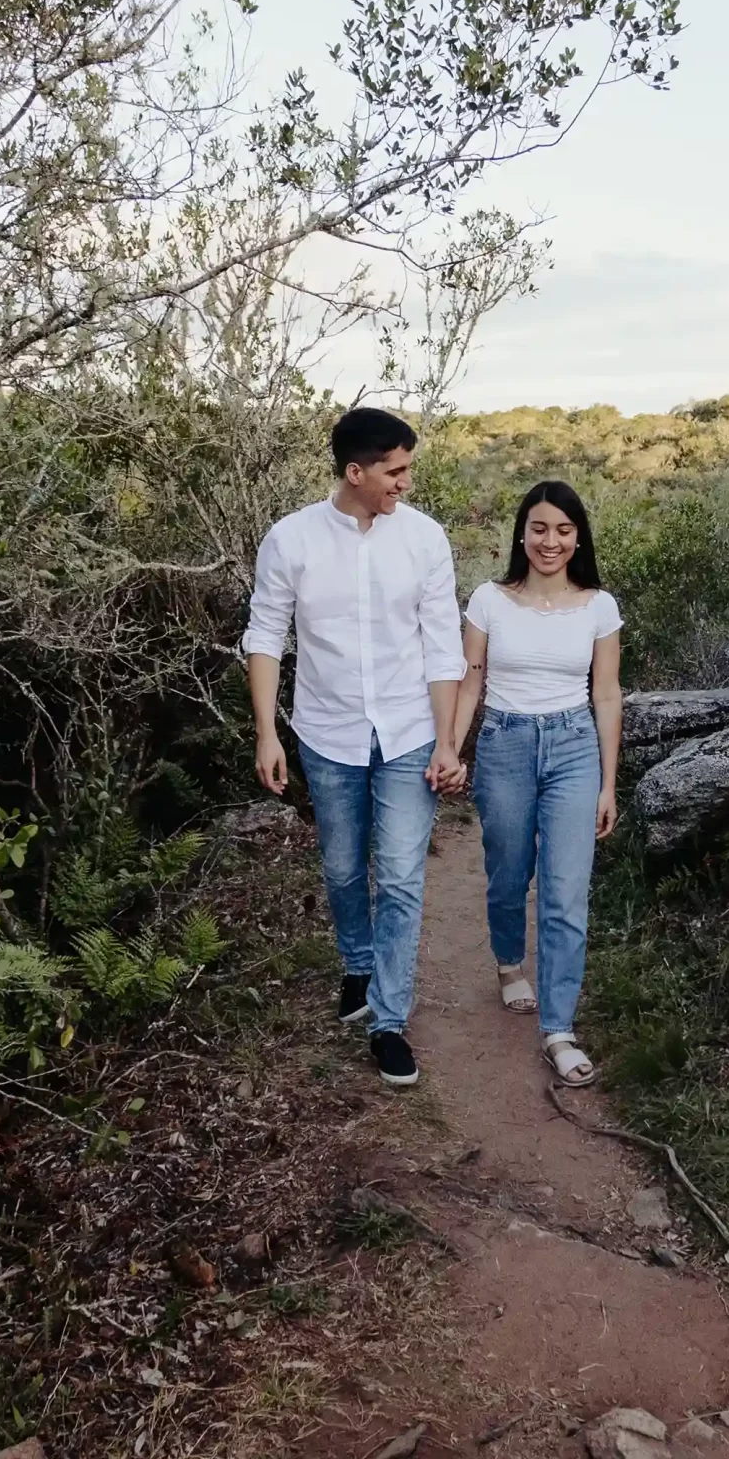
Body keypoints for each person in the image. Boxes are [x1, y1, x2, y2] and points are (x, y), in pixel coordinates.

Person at [243, 407, 466, 1088]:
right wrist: (266, 732)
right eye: (395, 470)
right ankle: (358, 964)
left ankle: (389, 1019)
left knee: (398, 874)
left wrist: (449, 742)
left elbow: (442, 647)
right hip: (328, 731)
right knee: (343, 869)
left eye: (407, 469)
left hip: (408, 732)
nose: (405, 482)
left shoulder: (425, 540)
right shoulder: (292, 541)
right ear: (356, 471)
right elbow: (264, 636)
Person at [445, 480, 623, 1087]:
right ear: (522, 532)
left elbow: (606, 694)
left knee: (565, 892)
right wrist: (450, 746)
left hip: (575, 747)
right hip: (505, 744)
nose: (552, 541)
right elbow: (470, 681)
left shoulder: (600, 605)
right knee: (507, 873)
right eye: (541, 528)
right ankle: (507, 962)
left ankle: (559, 1029)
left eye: (564, 530)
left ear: (579, 538)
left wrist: (608, 783)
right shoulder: (489, 600)